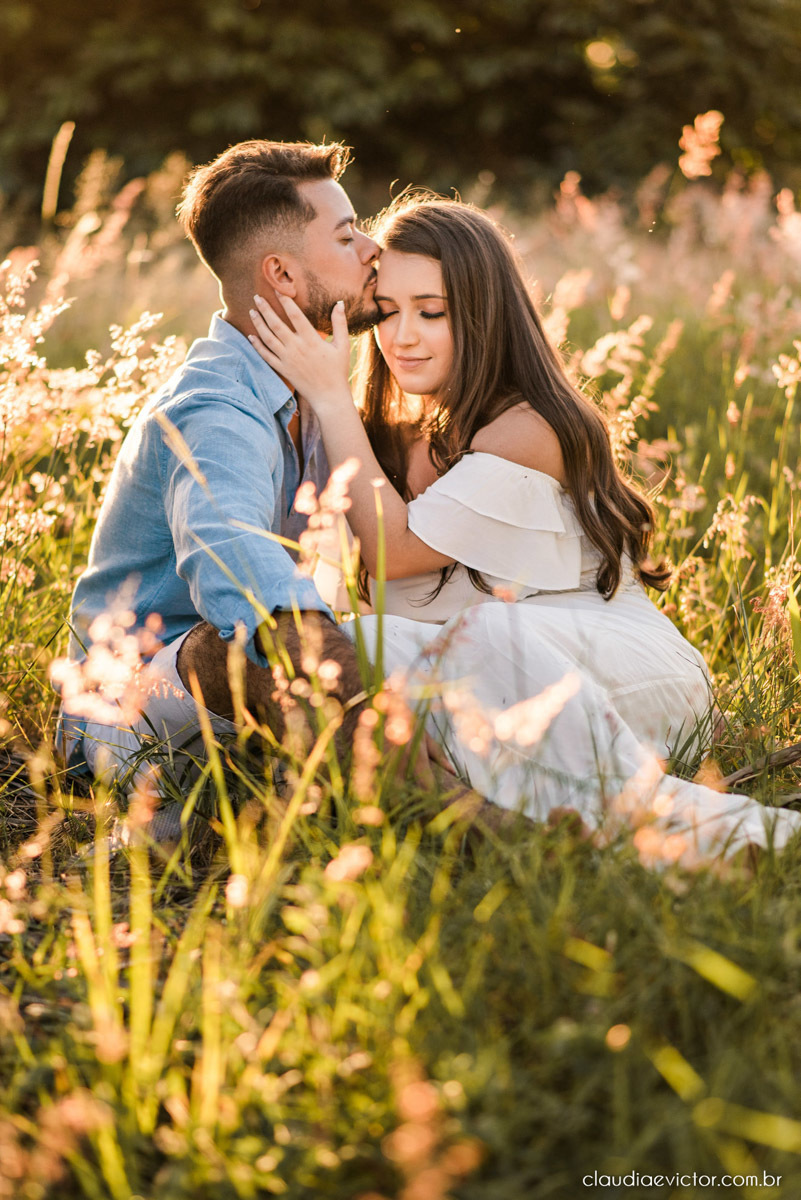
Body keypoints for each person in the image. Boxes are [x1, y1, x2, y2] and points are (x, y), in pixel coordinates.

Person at [247, 192, 801, 864]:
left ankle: (716, 833)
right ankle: (480, 820)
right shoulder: (383, 443)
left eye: (432, 312)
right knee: (336, 651)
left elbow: (396, 554)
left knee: (452, 638)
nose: (402, 337)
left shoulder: (532, 428)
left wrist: (330, 397)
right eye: (386, 312)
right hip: (479, 683)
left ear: (484, 317)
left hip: (616, 673)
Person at [57, 139, 385, 793]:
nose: (374, 249)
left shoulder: (305, 382)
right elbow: (231, 556)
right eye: (348, 237)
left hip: (207, 713)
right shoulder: (214, 407)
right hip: (117, 712)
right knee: (252, 641)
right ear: (283, 276)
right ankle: (458, 821)